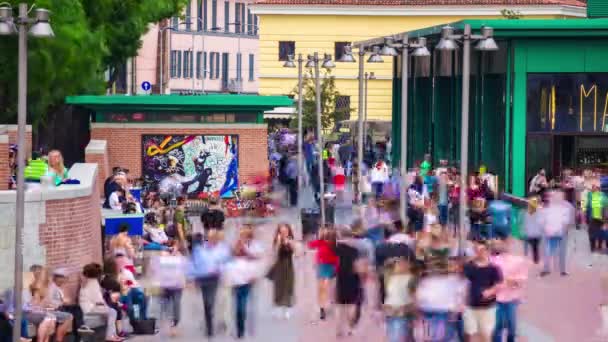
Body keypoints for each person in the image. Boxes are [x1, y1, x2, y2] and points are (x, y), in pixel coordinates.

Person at [187, 231, 231, 337]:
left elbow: (226, 263)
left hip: (213, 278)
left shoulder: (222, 250)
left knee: (210, 301)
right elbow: (193, 263)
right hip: (202, 278)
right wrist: (191, 278)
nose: (211, 240)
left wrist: (220, 270)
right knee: (206, 302)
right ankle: (208, 323)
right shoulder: (199, 249)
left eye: (213, 238)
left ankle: (210, 328)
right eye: (209, 238)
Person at [463, 241, 502, 342]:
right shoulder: (468, 267)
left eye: (483, 250)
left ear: (488, 251)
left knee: (485, 335)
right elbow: (463, 284)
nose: (480, 252)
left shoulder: (494, 268)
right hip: (470, 306)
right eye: (477, 250)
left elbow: (498, 285)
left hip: (487, 307)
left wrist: (490, 291)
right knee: (471, 335)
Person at [491, 239, 530, 342]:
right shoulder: (493, 261)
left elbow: (522, 278)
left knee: (511, 328)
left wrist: (512, 280)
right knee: (497, 326)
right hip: (497, 298)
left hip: (512, 299)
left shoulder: (519, 261)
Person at [334, 229, 366, 338]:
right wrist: (362, 277)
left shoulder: (335, 249)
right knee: (351, 305)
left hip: (339, 279)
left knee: (339, 305)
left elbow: (333, 264)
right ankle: (350, 328)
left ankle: (339, 328)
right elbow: (358, 267)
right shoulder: (354, 250)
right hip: (352, 279)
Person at [79, 263, 123, 342]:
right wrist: (106, 307)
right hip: (90, 308)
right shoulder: (93, 284)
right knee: (112, 312)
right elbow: (98, 301)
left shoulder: (87, 281)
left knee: (111, 311)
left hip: (89, 307)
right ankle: (109, 335)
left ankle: (113, 334)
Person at [151, 244, 187, 337]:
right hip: (164, 286)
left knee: (176, 306)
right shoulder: (160, 258)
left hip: (177, 286)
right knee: (164, 306)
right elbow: (154, 269)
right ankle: (164, 326)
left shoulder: (180, 258)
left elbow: (185, 268)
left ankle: (173, 326)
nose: (172, 250)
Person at [308, 228, 339, 321]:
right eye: (324, 234)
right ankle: (322, 308)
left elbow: (338, 257)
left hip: (332, 267)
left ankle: (331, 305)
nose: (326, 237)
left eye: (327, 235)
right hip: (322, 266)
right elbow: (310, 245)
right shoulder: (320, 242)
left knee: (331, 289)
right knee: (322, 288)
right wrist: (318, 237)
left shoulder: (335, 244)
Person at [539, 191, 572, 276]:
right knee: (555, 251)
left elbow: (567, 222)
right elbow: (566, 223)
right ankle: (558, 270)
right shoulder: (564, 209)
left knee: (551, 251)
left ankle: (550, 269)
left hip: (555, 233)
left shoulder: (548, 209)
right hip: (556, 233)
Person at [268, 223, 297, 319]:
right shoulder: (277, 240)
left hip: (288, 266)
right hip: (279, 265)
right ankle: (276, 308)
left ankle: (287, 309)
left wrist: (290, 243)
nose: (284, 233)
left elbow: (296, 253)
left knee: (289, 287)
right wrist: (279, 242)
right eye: (282, 231)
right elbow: (274, 254)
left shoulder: (291, 240)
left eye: (285, 231)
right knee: (278, 287)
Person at [383, 257, 414, 342]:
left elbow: (414, 297)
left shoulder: (410, 278)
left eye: (403, 264)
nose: (400, 266)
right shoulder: (389, 278)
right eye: (397, 264)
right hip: (390, 312)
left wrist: (405, 309)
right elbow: (386, 265)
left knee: (398, 338)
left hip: (402, 313)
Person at [587, 182, 608, 254]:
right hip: (600, 217)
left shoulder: (593, 196)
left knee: (593, 232)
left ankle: (593, 247)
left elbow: (589, 206)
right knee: (600, 232)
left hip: (596, 217)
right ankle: (598, 246)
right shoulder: (604, 196)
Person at [523, 197, 542, 264]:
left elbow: (526, 223)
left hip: (531, 233)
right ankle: (536, 258)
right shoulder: (539, 211)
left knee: (534, 247)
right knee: (536, 246)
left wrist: (525, 230)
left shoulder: (527, 212)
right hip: (538, 233)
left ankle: (535, 258)